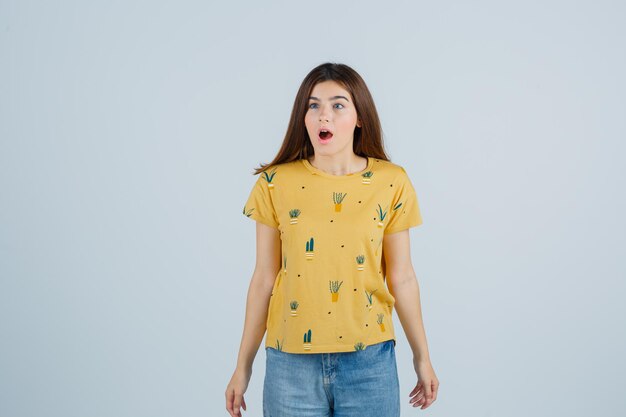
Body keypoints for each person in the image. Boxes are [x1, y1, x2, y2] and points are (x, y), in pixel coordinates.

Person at [226, 62, 439, 417]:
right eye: (313, 105)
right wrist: (242, 367)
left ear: (359, 117)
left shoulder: (392, 182)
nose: (323, 115)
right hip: (289, 364)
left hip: (369, 363)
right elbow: (264, 278)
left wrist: (423, 358)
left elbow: (402, 276)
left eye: (338, 105)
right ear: (303, 117)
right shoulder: (274, 183)